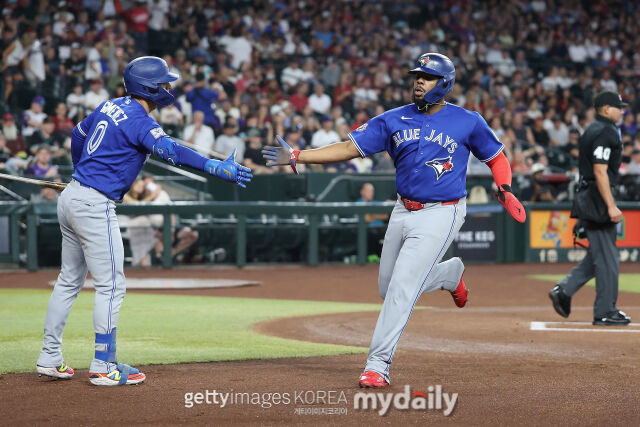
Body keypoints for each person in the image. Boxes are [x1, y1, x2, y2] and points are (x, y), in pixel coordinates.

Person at [263, 52, 525, 388]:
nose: (419, 81)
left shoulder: (468, 121)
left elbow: (496, 158)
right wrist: (299, 155)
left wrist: (505, 188)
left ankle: (378, 364)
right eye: (417, 75)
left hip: (442, 211)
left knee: (402, 288)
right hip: (402, 208)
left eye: (427, 77)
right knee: (388, 288)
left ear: (444, 83)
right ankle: (447, 275)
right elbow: (348, 148)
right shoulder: (393, 119)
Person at [36, 56, 252, 386]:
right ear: (149, 87)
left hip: (73, 196)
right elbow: (170, 150)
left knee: (68, 281)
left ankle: (50, 357)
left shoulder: (111, 104)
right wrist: (212, 166)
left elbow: (78, 135)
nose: (168, 87)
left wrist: (81, 170)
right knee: (111, 286)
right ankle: (103, 366)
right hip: (93, 203)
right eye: (164, 83)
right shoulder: (139, 119)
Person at [549, 91, 630, 326]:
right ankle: (605, 311)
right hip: (597, 196)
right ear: (606, 109)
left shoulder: (593, 129)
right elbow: (600, 170)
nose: (622, 111)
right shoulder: (605, 131)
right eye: (618, 107)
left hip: (589, 194)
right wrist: (610, 205)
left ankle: (564, 290)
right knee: (607, 259)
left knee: (599, 255)